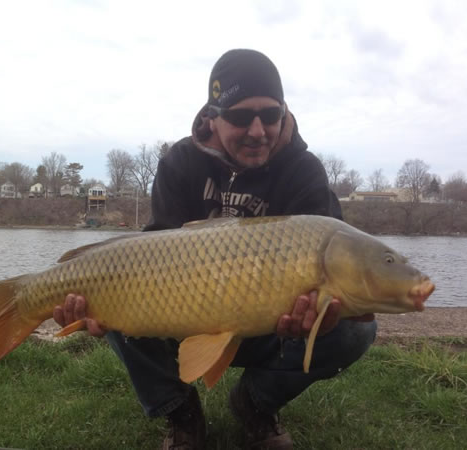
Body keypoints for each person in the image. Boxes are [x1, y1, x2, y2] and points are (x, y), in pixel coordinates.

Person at [54, 49, 377, 450]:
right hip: (183, 311)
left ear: (284, 112)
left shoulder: (303, 171)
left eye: (271, 115)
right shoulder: (180, 162)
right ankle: (182, 414)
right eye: (242, 117)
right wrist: (98, 310)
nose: (258, 130)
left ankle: (255, 404)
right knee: (119, 297)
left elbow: (324, 272)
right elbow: (152, 254)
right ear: (213, 116)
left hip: (269, 323)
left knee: (354, 330)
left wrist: (319, 317)